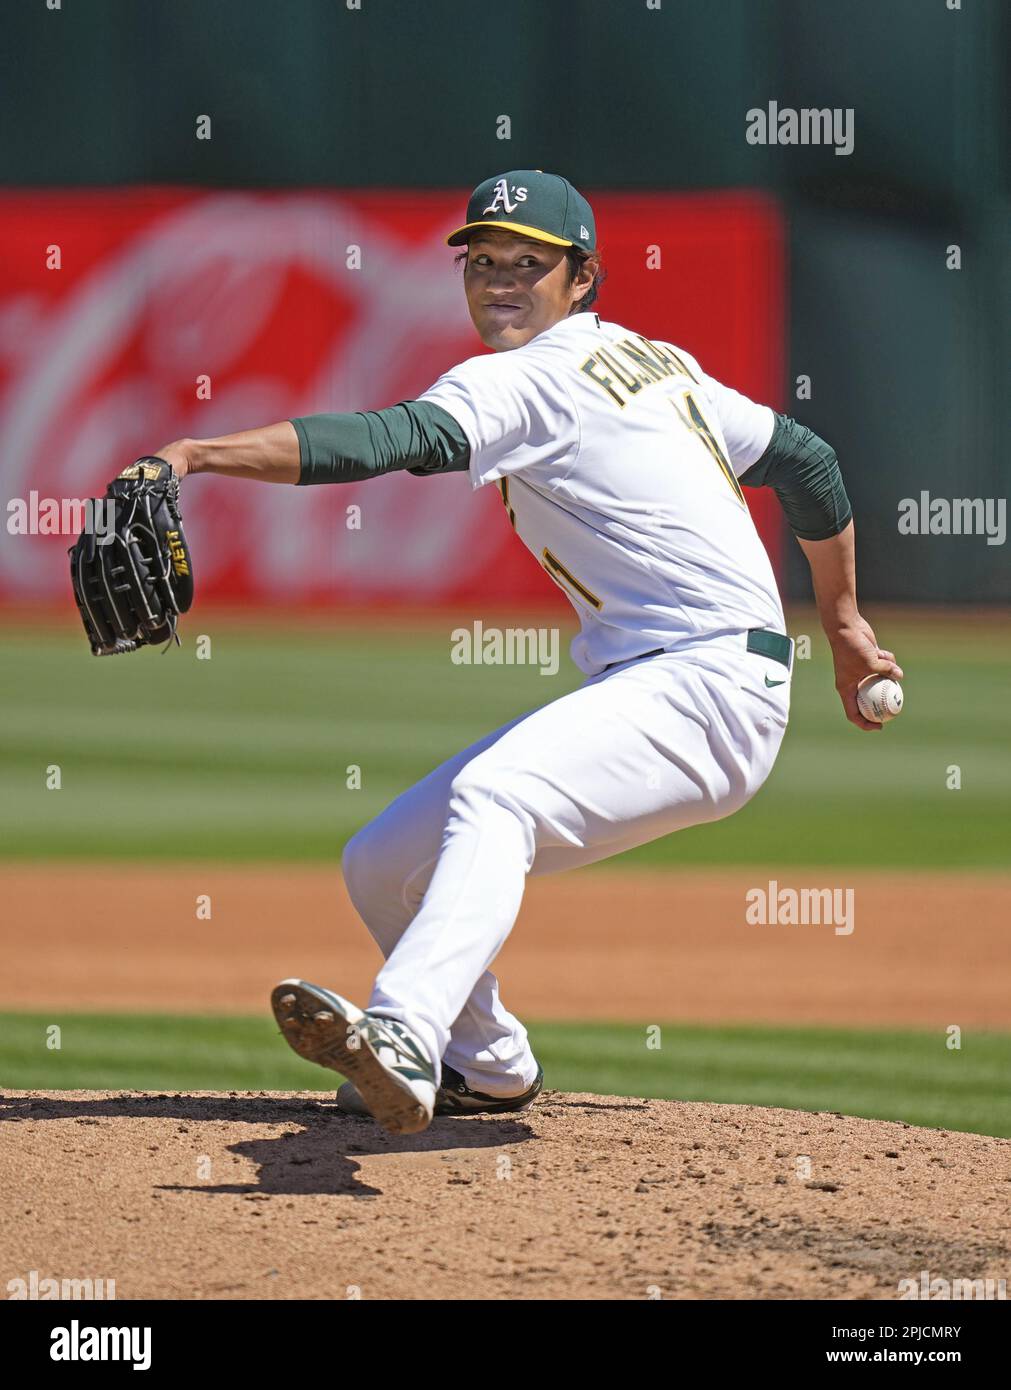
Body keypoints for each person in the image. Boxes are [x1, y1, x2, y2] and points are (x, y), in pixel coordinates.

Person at [156, 170, 902, 1135]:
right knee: (383, 862)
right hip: (688, 682)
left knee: (495, 797)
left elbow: (390, 438)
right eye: (482, 262)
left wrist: (198, 453)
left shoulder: (527, 376)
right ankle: (488, 1065)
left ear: (580, 277)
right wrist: (840, 623)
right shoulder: (650, 361)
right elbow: (804, 461)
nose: (499, 281)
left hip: (705, 681)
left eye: (528, 263)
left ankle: (405, 1032)